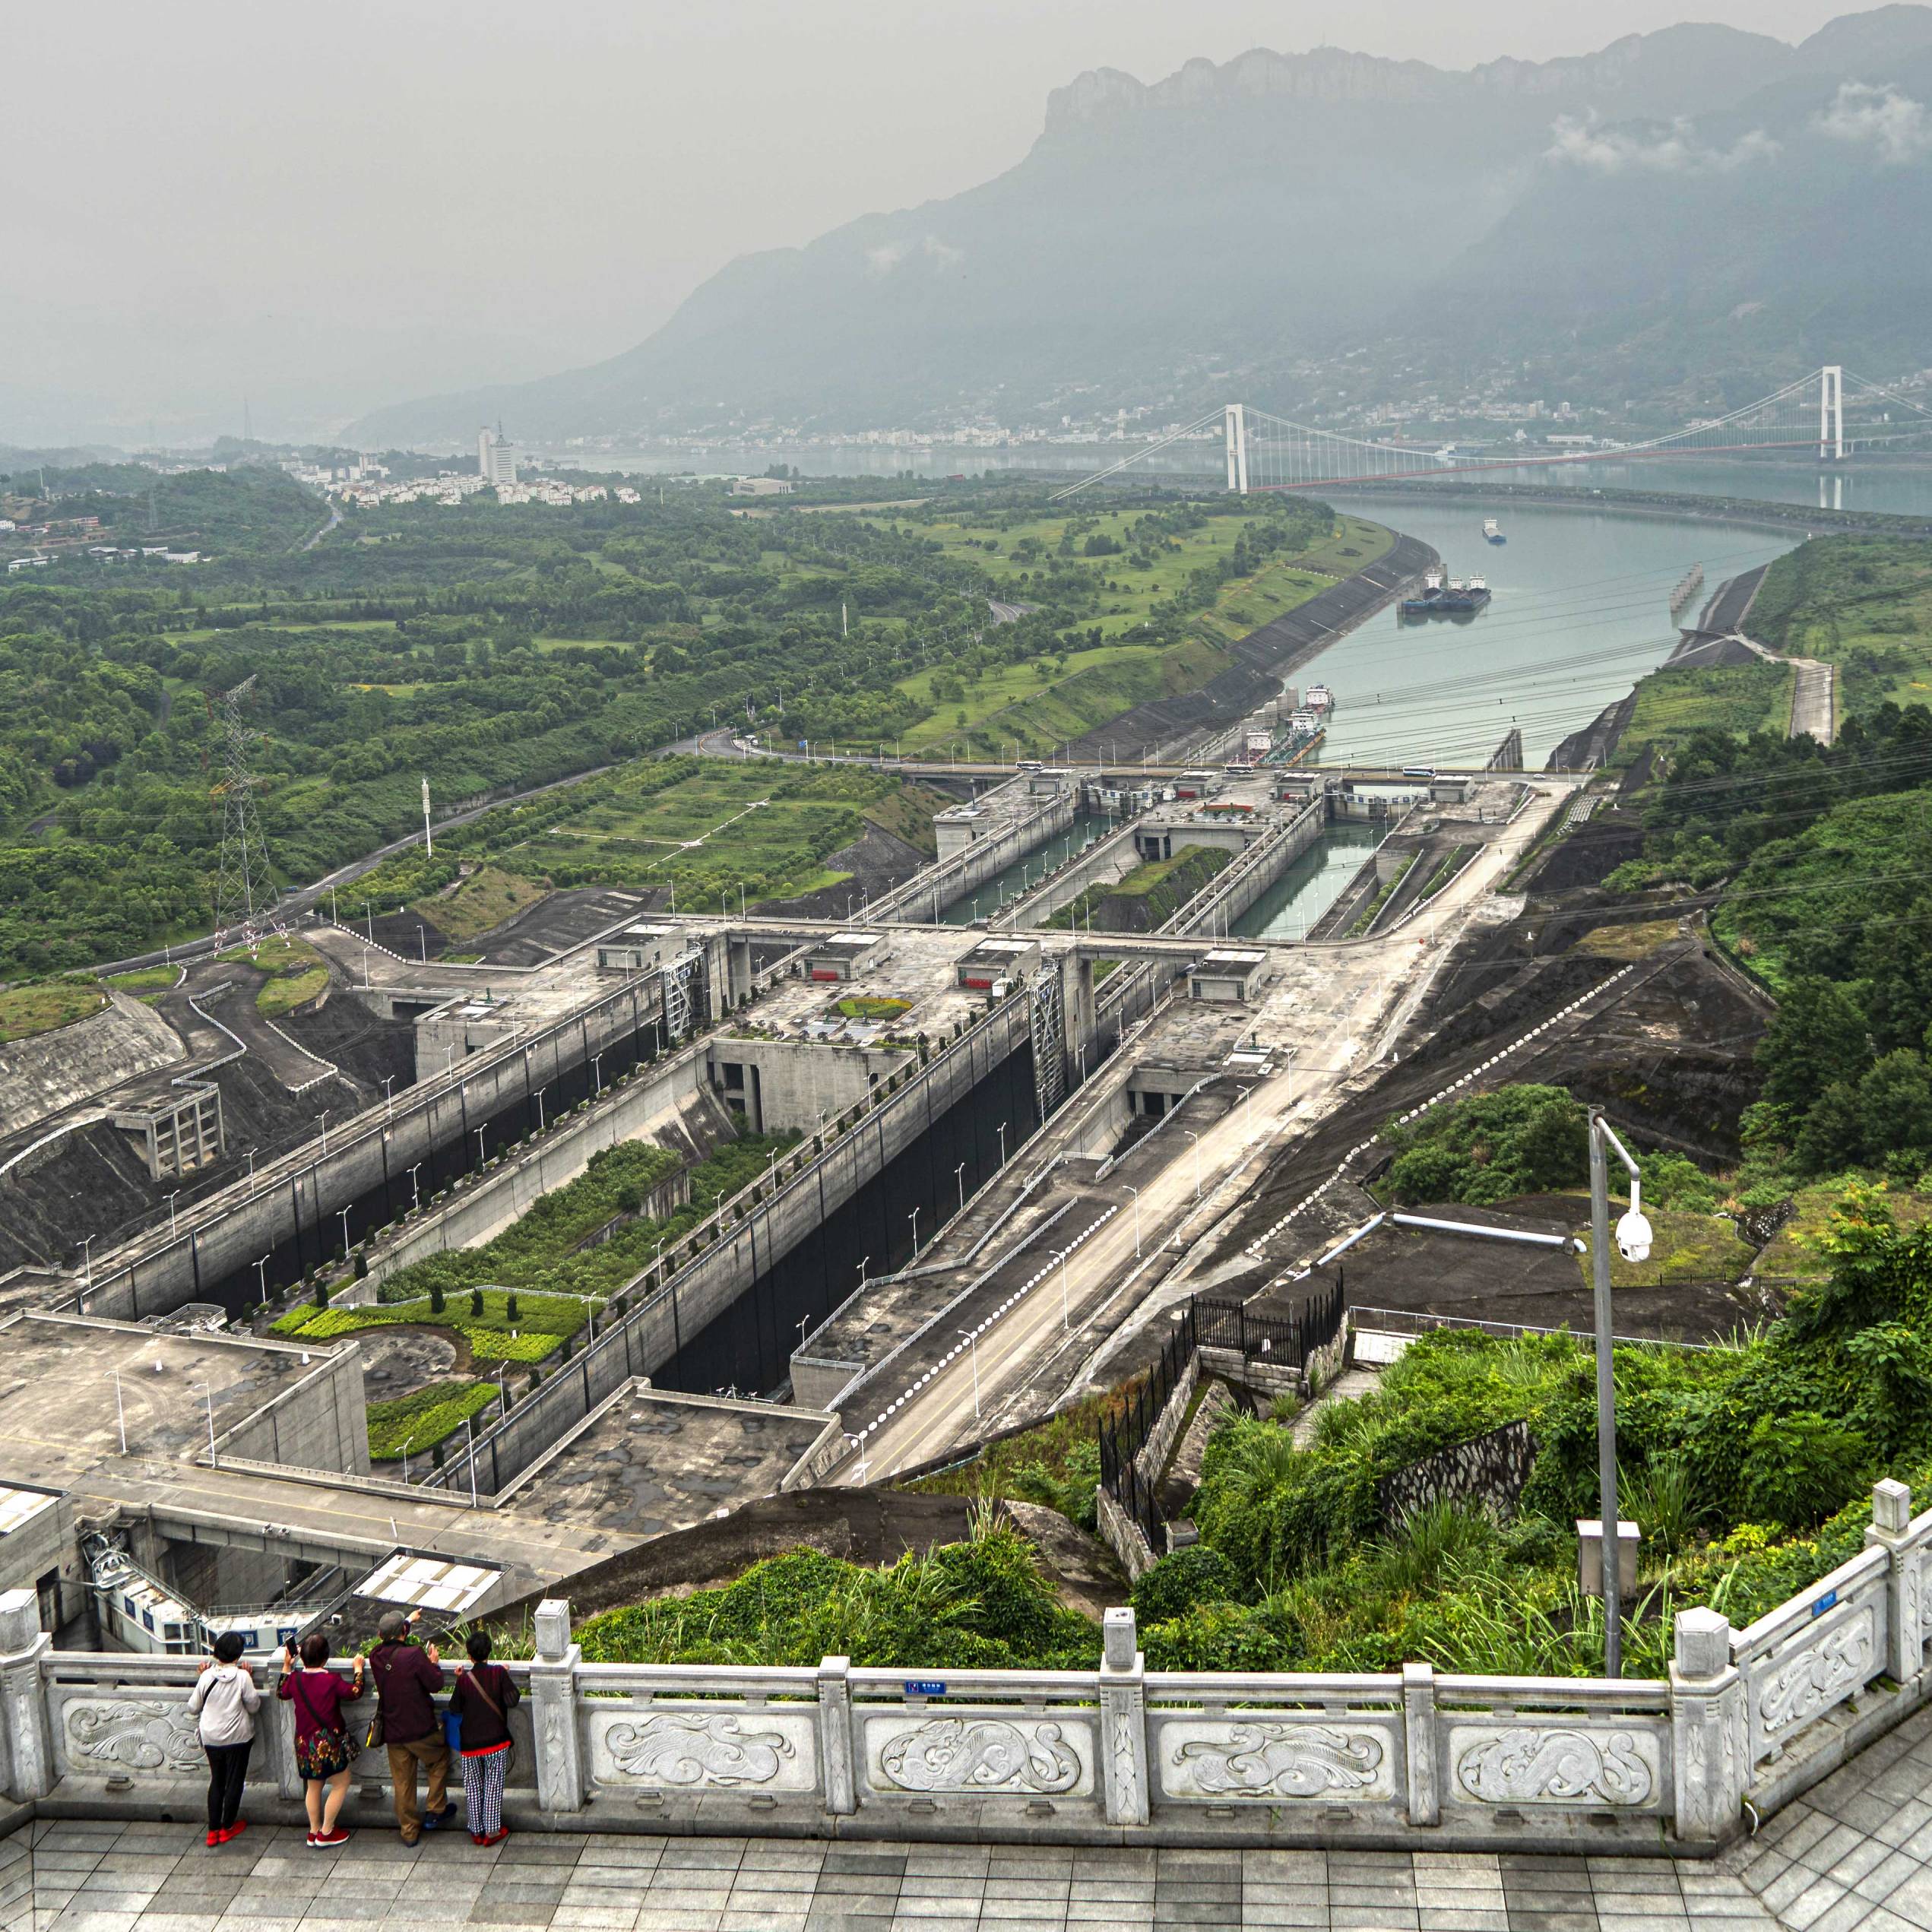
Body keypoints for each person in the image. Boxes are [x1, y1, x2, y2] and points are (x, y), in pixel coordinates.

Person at [367, 1609, 453, 1845]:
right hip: (420, 1728)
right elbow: (435, 1684)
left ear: (379, 1634)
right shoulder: (415, 1655)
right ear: (405, 1632)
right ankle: (435, 1808)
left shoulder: (375, 1657)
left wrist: (407, 1621)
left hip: (393, 1732)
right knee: (439, 1759)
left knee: (402, 1781)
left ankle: (409, 1831)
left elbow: (389, 1639)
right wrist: (434, 1664)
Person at [277, 1632, 364, 1848]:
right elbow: (355, 1691)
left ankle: (313, 1831)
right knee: (341, 1782)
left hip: (304, 1744)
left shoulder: (296, 1679)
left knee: (313, 1786)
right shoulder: (331, 1680)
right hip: (328, 1744)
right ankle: (327, 1832)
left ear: (302, 1657)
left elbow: (281, 1692)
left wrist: (287, 1666)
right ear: (326, 1657)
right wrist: (358, 1669)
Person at [188, 1631, 261, 1847]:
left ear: (216, 1652)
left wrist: (202, 1677)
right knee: (234, 1782)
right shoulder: (242, 1677)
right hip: (238, 1737)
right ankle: (227, 1827)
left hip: (211, 1737)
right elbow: (254, 1706)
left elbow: (193, 1707)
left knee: (217, 1781)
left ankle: (213, 1831)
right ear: (238, 1655)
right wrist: (248, 1677)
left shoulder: (206, 1676)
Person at [448, 1630, 519, 1846]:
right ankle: (491, 1831)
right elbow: (512, 1700)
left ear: (469, 1656)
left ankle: (476, 1830)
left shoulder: (464, 1680)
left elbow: (455, 1708)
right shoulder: (498, 1673)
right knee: (493, 1784)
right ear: (490, 1651)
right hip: (495, 1741)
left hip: (469, 1744)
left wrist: (459, 1679)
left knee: (473, 1785)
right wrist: (505, 1675)